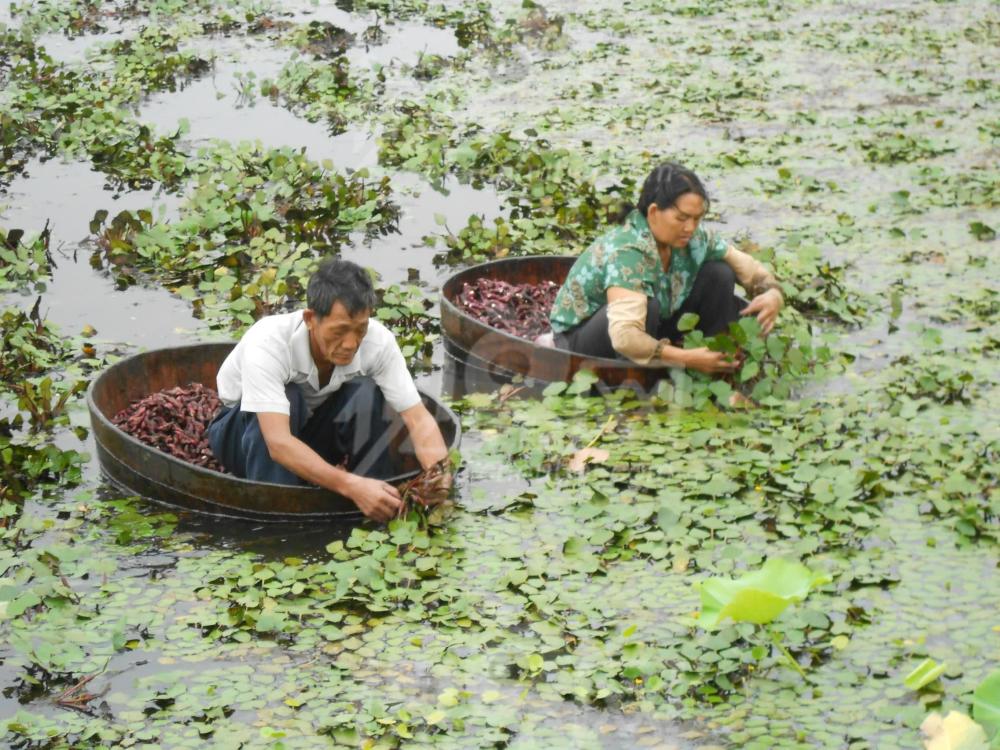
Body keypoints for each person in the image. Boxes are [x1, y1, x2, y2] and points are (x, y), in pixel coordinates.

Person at [206, 258, 450, 522]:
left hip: (307, 432)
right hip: (244, 438)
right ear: (311, 319)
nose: (351, 343)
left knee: (365, 392)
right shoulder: (268, 342)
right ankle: (280, 521)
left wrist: (440, 474)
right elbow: (277, 442)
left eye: (360, 330)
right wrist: (350, 485)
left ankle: (380, 500)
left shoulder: (378, 343)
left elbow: (417, 417)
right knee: (291, 395)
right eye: (340, 331)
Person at [549, 162, 784, 374]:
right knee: (648, 305)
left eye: (697, 218)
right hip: (582, 340)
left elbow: (752, 272)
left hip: (653, 324)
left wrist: (773, 294)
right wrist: (685, 358)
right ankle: (645, 375)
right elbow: (625, 337)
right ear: (653, 213)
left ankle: (714, 358)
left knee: (720, 273)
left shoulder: (692, 238)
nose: (690, 228)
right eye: (681, 218)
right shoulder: (628, 252)